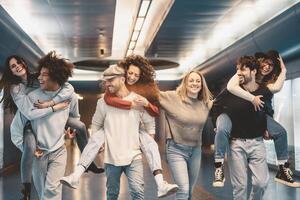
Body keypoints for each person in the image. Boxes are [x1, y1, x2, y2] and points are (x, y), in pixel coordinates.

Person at [61, 56, 178, 198]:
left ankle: (161, 184)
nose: (133, 77)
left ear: (121, 79)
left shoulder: (139, 97)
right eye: (131, 73)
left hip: (133, 154)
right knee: (111, 193)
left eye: (136, 75)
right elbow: (99, 120)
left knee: (137, 191)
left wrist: (148, 138)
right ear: (125, 74)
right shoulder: (105, 101)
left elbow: (151, 117)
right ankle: (76, 175)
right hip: (112, 157)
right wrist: (101, 144)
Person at [213, 51, 300, 188]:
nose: (267, 66)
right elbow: (220, 99)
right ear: (258, 63)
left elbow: (272, 96)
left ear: (253, 71)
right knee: (222, 128)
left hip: (256, 128)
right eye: (266, 62)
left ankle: (283, 169)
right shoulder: (238, 79)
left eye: (271, 65)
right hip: (234, 127)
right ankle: (218, 167)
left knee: (281, 132)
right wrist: (251, 98)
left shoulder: (264, 86)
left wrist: (284, 70)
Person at [0, 55, 72, 199]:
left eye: (18, 63)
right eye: (13, 66)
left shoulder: (36, 78)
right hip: (26, 127)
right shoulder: (16, 88)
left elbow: (67, 87)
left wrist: (52, 102)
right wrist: (54, 107)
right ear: (11, 71)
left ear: (24, 63)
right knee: (32, 148)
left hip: (40, 124)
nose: (17, 66)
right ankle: (26, 188)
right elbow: (30, 114)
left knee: (50, 185)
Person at [212, 55, 271, 200]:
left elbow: (269, 111)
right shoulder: (231, 91)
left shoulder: (264, 91)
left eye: (243, 70)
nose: (239, 73)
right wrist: (217, 125)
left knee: (261, 183)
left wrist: (267, 128)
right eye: (238, 69)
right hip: (236, 144)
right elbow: (215, 106)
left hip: (257, 142)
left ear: (254, 71)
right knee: (240, 187)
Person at [159, 70, 213, 200]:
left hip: (195, 151)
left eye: (198, 81)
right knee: (183, 189)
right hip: (176, 149)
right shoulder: (173, 97)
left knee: (189, 192)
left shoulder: (206, 103)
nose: (195, 83)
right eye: (191, 80)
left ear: (202, 84)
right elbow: (152, 94)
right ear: (185, 83)